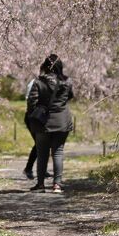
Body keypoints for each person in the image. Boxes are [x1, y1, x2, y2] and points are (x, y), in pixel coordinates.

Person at [26, 54, 74, 193]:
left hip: (43, 123)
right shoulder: (67, 82)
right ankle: (57, 185)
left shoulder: (38, 82)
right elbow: (69, 96)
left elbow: (31, 102)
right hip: (62, 121)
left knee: (42, 154)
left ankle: (40, 185)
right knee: (58, 153)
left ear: (45, 66)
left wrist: (32, 116)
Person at [22, 77, 52, 180]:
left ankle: (41, 169)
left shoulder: (45, 82)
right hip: (34, 117)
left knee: (44, 143)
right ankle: (28, 168)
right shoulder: (34, 83)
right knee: (40, 143)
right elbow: (30, 101)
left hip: (41, 117)